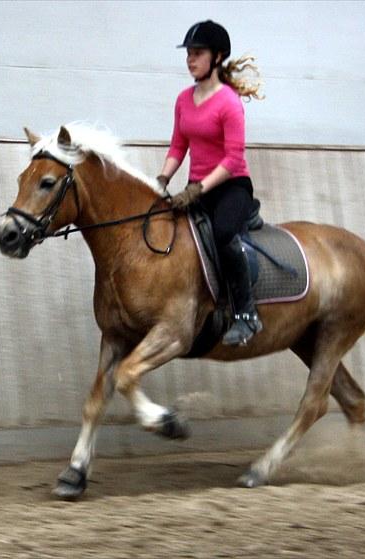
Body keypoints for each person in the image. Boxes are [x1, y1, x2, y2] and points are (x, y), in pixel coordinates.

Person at [157, 20, 264, 346]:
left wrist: (198, 188)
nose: (190, 59)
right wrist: (162, 179)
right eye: (188, 53)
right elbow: (178, 146)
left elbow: (233, 159)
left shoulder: (229, 102)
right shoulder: (183, 100)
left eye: (198, 53)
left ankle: (247, 315)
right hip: (196, 187)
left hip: (231, 187)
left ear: (217, 57)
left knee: (221, 233)